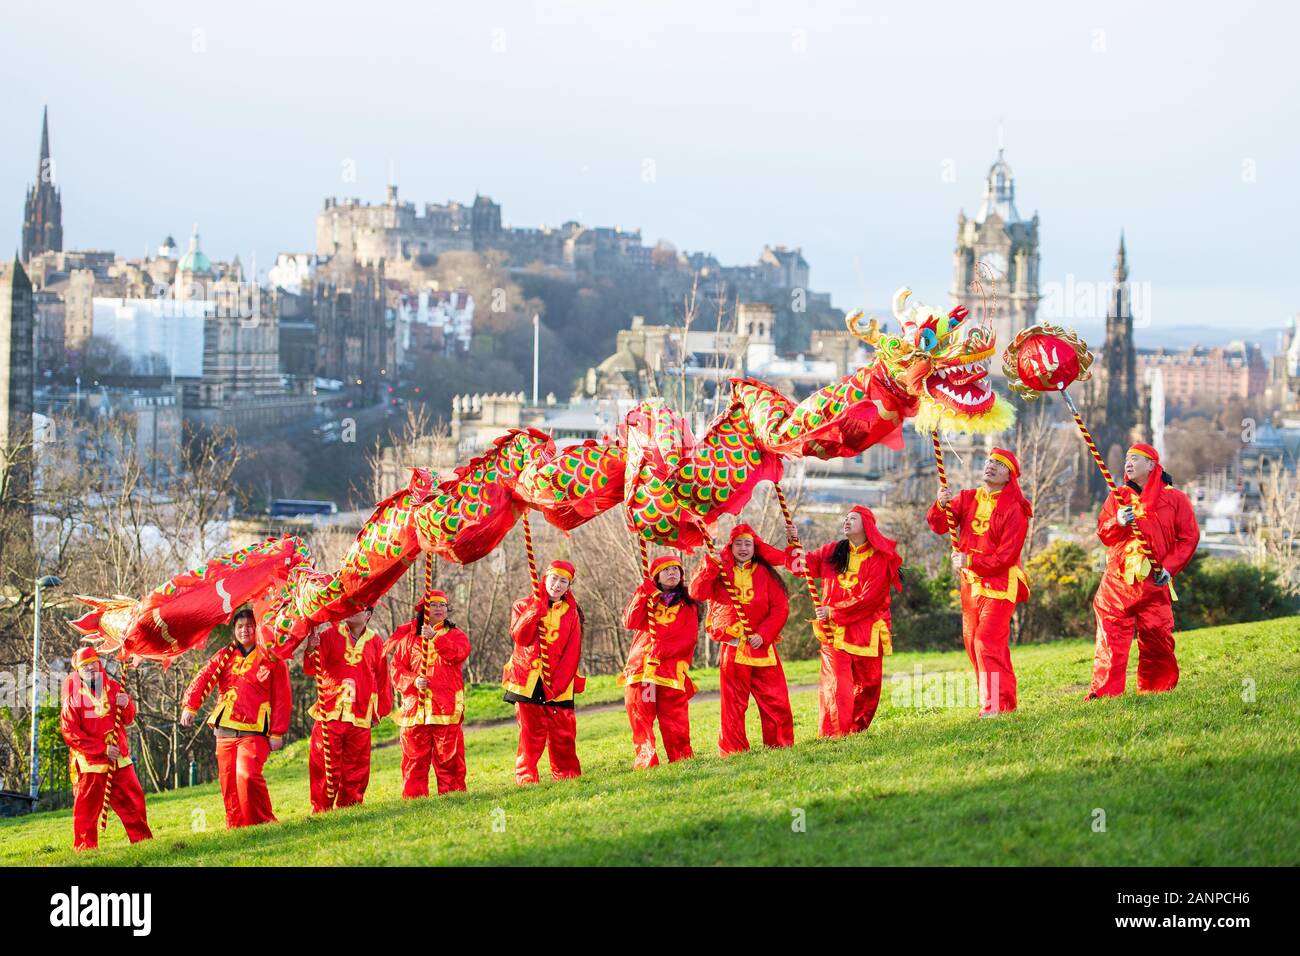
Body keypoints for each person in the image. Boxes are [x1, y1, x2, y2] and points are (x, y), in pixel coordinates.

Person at [1087, 443, 1200, 698]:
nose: (1128, 462)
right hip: (1118, 583)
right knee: (1111, 639)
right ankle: (1105, 693)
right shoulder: (1119, 497)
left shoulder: (1175, 499)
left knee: (1157, 637)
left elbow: (1188, 537)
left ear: (1151, 465)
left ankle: (1156, 689)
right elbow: (1104, 533)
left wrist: (1170, 569)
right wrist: (1117, 521)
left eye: (1135, 458)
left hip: (1154, 583)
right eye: (1126, 458)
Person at [927, 448, 1032, 716]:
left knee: (986, 641)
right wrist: (940, 504)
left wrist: (970, 561)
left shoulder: (1015, 508)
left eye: (999, 464)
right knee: (975, 644)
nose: (991, 466)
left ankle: (993, 706)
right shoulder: (967, 498)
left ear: (1010, 475)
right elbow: (939, 525)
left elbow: (1007, 556)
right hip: (970, 585)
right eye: (989, 461)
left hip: (1000, 584)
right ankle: (1003, 703)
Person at [787, 505, 902, 738]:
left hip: (866, 631)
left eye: (853, 518)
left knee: (868, 686)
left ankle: (855, 730)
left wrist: (833, 610)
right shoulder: (833, 551)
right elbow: (802, 568)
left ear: (867, 525)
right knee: (835, 683)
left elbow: (870, 598)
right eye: (846, 518)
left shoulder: (879, 558)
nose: (847, 521)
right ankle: (833, 734)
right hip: (834, 631)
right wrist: (793, 544)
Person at [689, 523, 793, 754]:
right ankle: (733, 749)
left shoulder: (765, 573)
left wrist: (764, 634)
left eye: (748, 544)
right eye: (739, 543)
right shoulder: (719, 569)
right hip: (733, 647)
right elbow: (697, 592)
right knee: (733, 704)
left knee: (776, 699)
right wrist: (709, 565)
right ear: (731, 546)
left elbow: (780, 608)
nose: (744, 548)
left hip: (762, 647)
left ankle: (780, 744)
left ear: (755, 547)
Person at [181, 607, 290, 828]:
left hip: (255, 729)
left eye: (250, 625)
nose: (245, 630)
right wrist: (190, 706)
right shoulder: (225, 655)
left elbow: (282, 697)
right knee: (228, 783)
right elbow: (204, 677)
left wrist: (278, 732)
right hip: (225, 729)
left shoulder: (271, 656)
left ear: (257, 628)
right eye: (240, 626)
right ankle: (236, 826)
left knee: (247, 775)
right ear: (234, 630)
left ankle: (263, 821)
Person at [60, 646, 153, 851]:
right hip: (90, 763)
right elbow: (70, 733)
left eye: (93, 662)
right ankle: (86, 849)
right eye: (85, 666)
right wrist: (102, 748)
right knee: (86, 810)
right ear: (78, 670)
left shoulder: (113, 687)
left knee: (133, 802)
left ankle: (143, 842)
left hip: (119, 758)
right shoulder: (72, 697)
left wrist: (126, 703)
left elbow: (128, 719)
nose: (91, 668)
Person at [502, 559, 586, 784]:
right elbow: (520, 637)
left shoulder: (572, 612)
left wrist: (558, 683)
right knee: (530, 733)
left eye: (564, 581)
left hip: (560, 680)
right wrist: (533, 613)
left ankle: (567, 773)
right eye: (554, 579)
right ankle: (526, 776)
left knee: (563, 731)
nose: (557, 585)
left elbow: (573, 649)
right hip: (527, 678)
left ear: (569, 586)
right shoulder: (523, 605)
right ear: (545, 579)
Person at [302, 605, 392, 812]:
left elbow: (382, 679)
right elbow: (312, 669)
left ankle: (350, 807)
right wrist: (310, 648)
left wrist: (378, 710)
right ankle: (321, 808)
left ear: (368, 615)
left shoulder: (376, 642)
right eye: (349, 606)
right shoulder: (329, 634)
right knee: (324, 763)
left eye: (359, 608)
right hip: (330, 709)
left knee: (356, 765)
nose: (351, 610)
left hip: (360, 713)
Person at [388, 590, 472, 797]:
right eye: (433, 604)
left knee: (449, 757)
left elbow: (459, 654)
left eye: (442, 605)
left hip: (445, 706)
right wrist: (414, 680)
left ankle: (453, 794)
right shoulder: (408, 639)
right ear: (424, 610)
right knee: (414, 758)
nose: (439, 608)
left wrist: (435, 638)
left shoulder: (456, 635)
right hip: (415, 708)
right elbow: (396, 669)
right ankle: (414, 798)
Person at [620, 554, 699, 769]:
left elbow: (688, 639)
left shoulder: (688, 605)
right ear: (656, 576)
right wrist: (642, 594)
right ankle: (647, 760)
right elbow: (629, 621)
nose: (672, 573)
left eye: (676, 569)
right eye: (666, 570)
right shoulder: (647, 599)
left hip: (670, 672)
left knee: (675, 719)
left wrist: (662, 650)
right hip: (643, 671)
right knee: (641, 716)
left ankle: (681, 758)